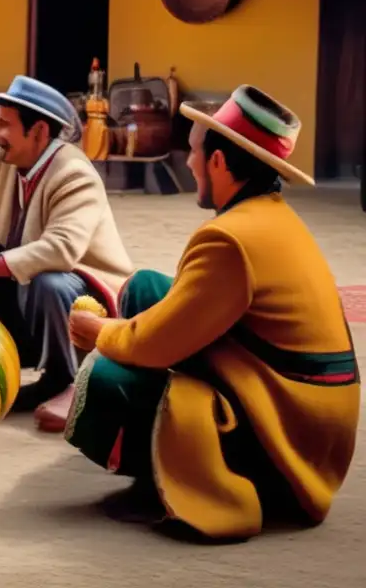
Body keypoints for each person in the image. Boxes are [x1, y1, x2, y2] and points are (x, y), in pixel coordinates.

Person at [65, 85, 360, 541]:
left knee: (105, 380)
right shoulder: (270, 215)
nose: (187, 161)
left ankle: (185, 477)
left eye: (195, 151)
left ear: (219, 163)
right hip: (308, 410)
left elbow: (150, 342)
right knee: (145, 287)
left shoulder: (230, 240)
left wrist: (99, 331)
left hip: (290, 436)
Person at [0, 76, 132, 432]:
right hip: (19, 286)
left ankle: (65, 380)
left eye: (4, 124)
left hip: (83, 303)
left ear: (39, 131)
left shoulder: (75, 174)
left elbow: (61, 249)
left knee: (48, 282)